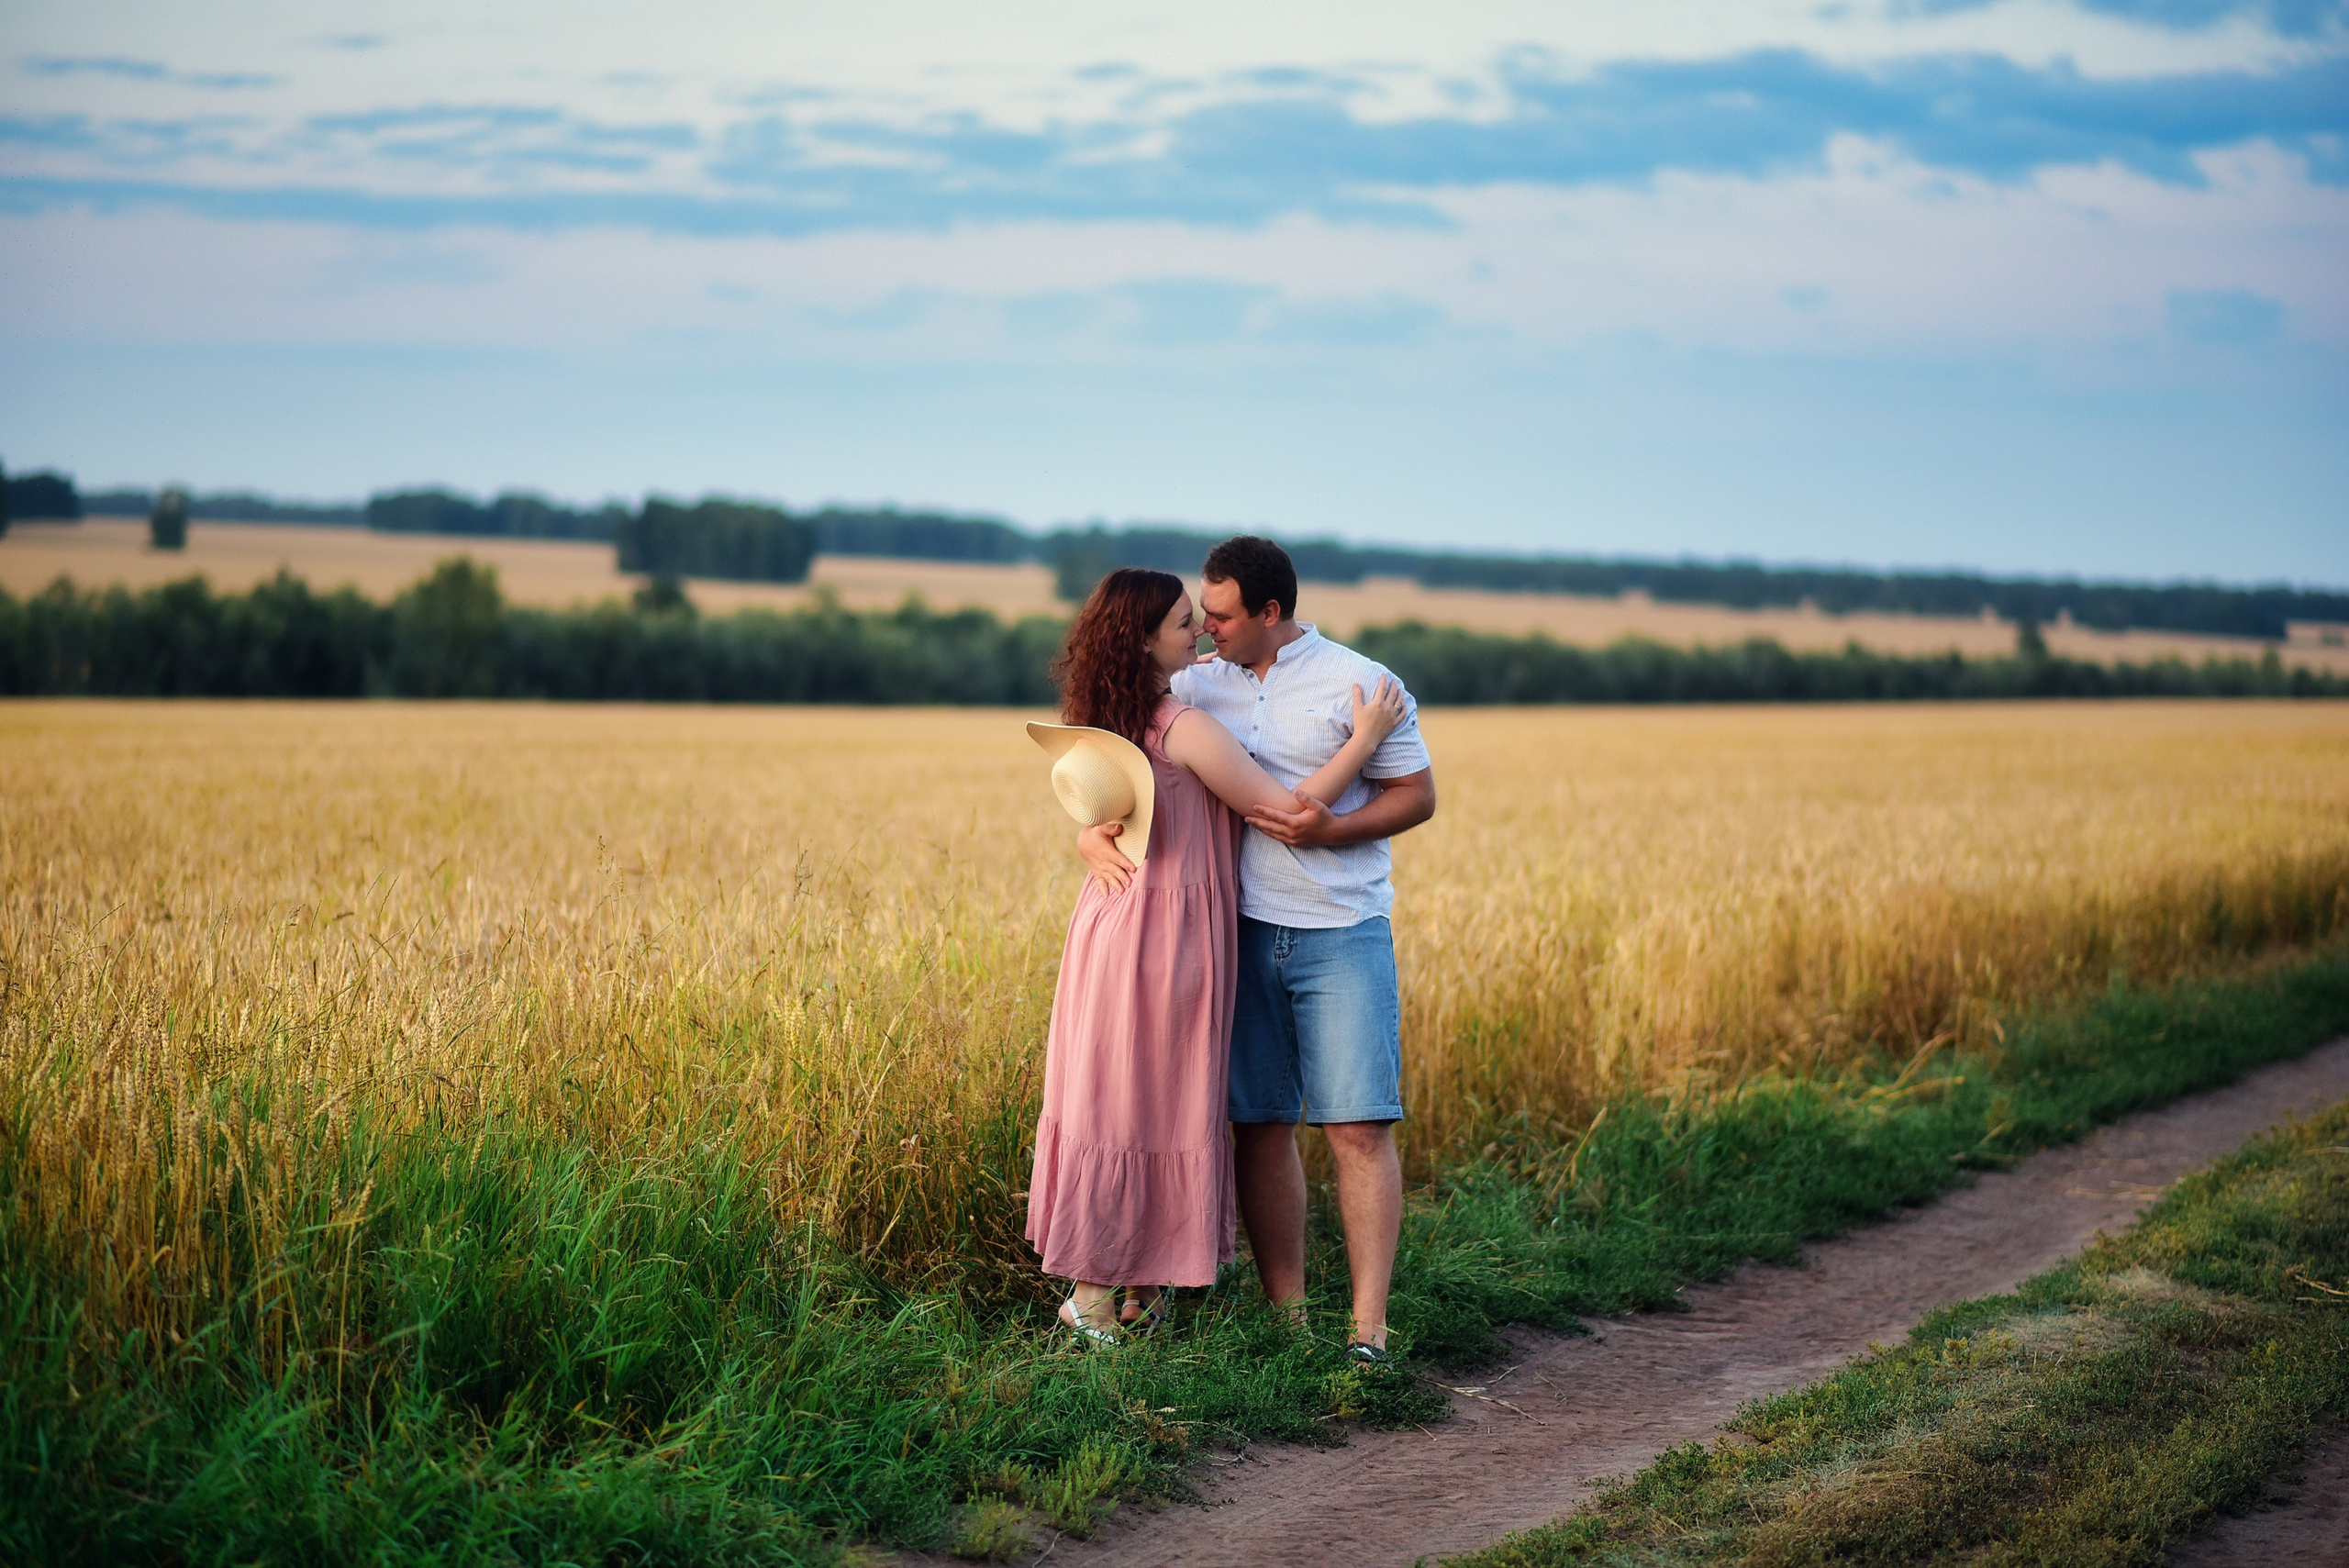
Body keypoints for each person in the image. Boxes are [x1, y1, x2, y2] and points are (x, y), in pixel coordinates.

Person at [1028, 566, 1409, 1344]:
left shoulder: (1115, 716)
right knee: (1148, 1106)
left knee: (1127, 1099)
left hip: (1115, 925)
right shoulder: (1186, 724)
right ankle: (1093, 1298)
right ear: (1142, 642)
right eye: (1182, 622)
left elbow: (1102, 802)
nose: (1199, 630)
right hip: (1164, 937)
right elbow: (1283, 811)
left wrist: (1085, 834)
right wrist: (1365, 740)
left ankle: (1140, 1294)